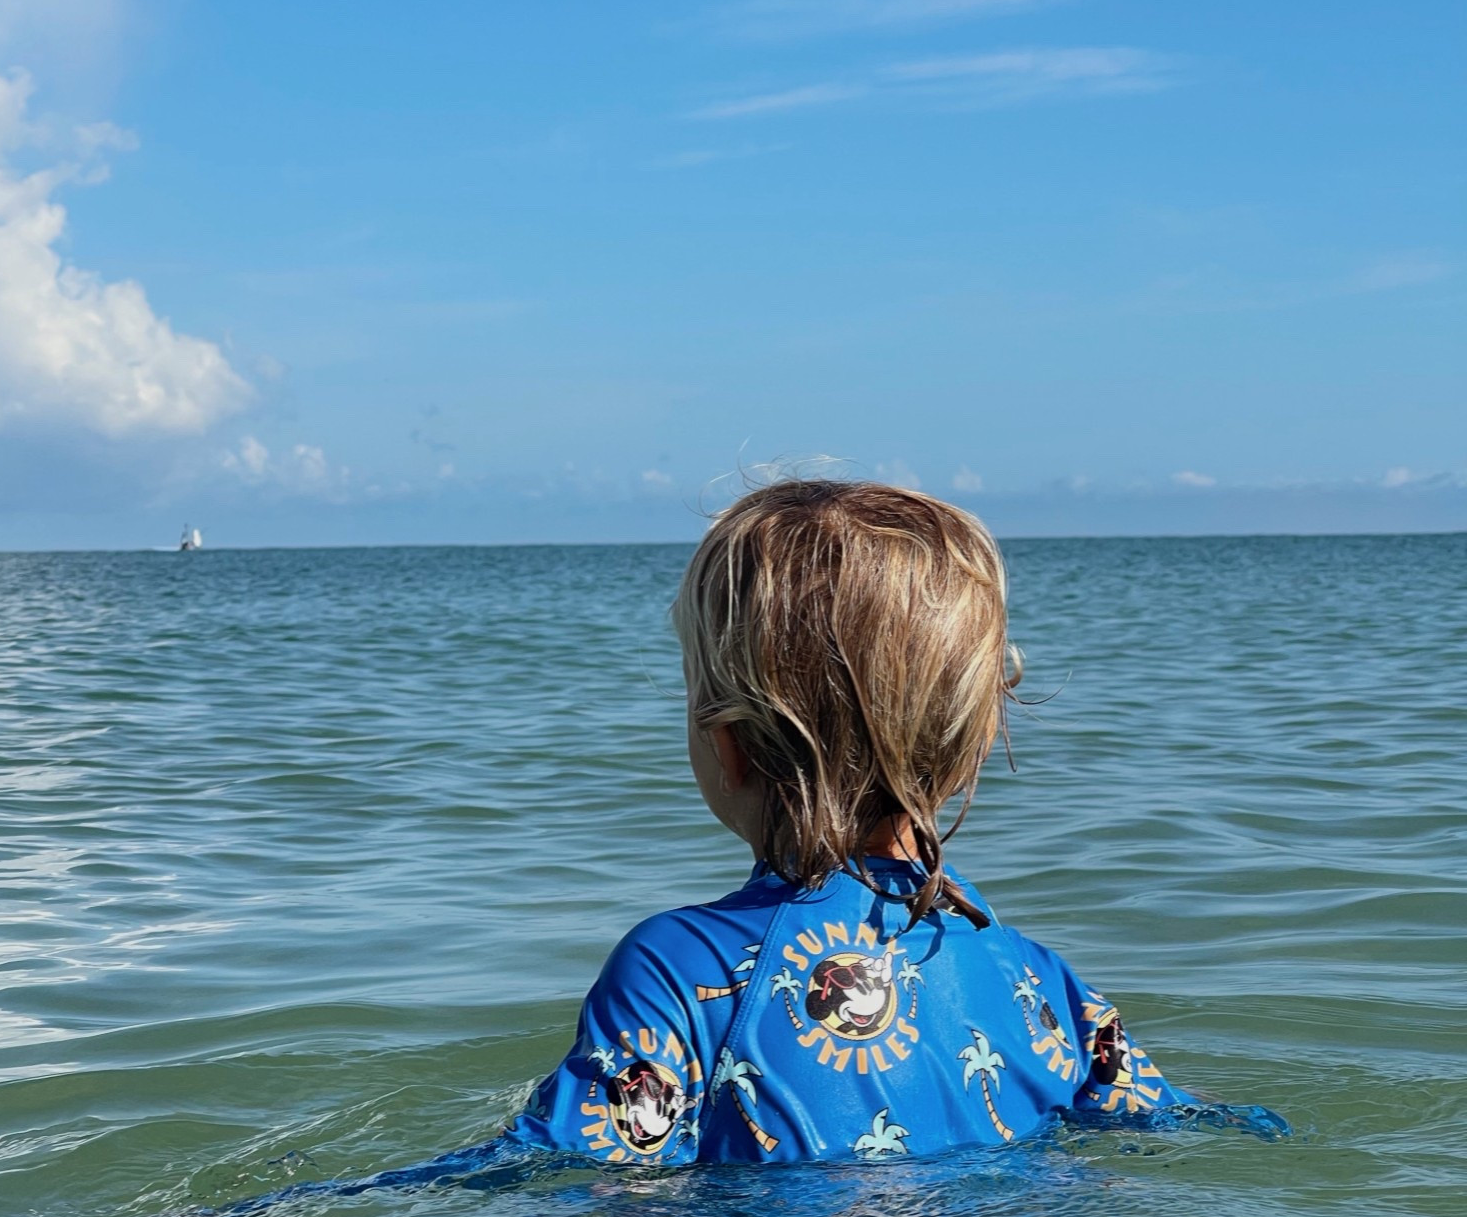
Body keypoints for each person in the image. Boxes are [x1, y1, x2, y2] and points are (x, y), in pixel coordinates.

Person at [504, 478, 1192, 1167]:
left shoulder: (676, 969)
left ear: (728, 744)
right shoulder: (1041, 980)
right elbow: (1173, 1125)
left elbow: (578, 1176)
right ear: (976, 739)